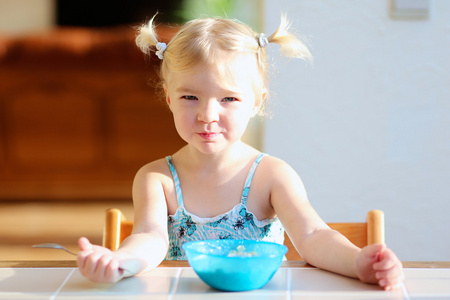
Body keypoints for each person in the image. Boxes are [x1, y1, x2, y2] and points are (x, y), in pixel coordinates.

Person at [77, 14, 404, 290]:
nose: (207, 115)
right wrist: (120, 261)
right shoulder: (156, 178)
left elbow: (313, 236)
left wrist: (358, 262)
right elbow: (150, 237)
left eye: (228, 99)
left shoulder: (272, 175)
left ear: (256, 102)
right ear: (168, 99)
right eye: (190, 97)